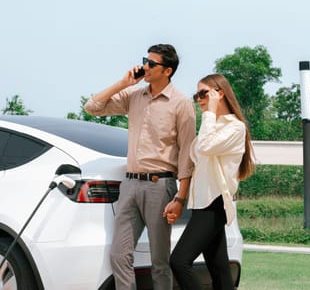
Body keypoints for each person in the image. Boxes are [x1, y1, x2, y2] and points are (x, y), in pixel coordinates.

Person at [84, 44, 196, 290]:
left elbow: (188, 152)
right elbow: (92, 107)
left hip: (161, 186)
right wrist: (123, 84)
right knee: (119, 255)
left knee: (159, 261)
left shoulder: (181, 104)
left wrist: (180, 197)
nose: (145, 66)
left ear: (167, 71)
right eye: (145, 60)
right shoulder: (134, 96)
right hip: (130, 185)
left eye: (151, 63)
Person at [164, 73, 255, 290]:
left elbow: (205, 146)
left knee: (179, 261)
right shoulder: (212, 125)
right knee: (220, 270)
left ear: (219, 94)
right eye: (197, 95)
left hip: (213, 204)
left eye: (204, 94)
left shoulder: (235, 127)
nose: (199, 99)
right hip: (202, 204)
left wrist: (210, 113)